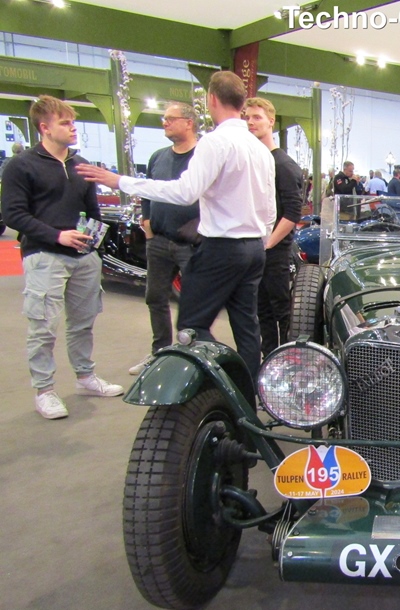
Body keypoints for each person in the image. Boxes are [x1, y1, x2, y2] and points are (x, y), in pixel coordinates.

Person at [77, 70, 276, 384]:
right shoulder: (260, 149)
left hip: (222, 247)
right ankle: (247, 396)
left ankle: (219, 383)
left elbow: (185, 192)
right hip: (253, 247)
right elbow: (269, 208)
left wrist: (122, 182)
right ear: (241, 103)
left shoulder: (215, 142)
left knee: (191, 325)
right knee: (246, 326)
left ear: (212, 99)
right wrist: (259, 241)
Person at [1, 95, 123, 419]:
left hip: (83, 257)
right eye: (65, 123)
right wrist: (57, 235)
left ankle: (85, 377)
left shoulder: (81, 164)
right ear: (45, 127)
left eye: (73, 122)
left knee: (83, 323)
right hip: (45, 256)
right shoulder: (21, 166)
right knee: (43, 328)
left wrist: (93, 244)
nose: (72, 128)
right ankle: (44, 391)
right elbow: (13, 214)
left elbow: (93, 210)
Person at [127, 101, 201, 376]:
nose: (165, 123)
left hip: (191, 243)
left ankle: (189, 355)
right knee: (155, 297)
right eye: (164, 118)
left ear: (189, 123)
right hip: (158, 240)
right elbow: (148, 190)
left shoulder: (203, 157)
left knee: (193, 303)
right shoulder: (158, 157)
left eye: (171, 118)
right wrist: (147, 221)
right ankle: (160, 352)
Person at [244, 96, 305, 357]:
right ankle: (268, 358)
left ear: (270, 121)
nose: (250, 122)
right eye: (247, 117)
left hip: (275, 252)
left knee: (282, 310)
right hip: (256, 250)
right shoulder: (254, 162)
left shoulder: (283, 165)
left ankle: (289, 360)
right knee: (262, 311)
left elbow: (292, 213)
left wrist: (267, 244)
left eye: (256, 117)